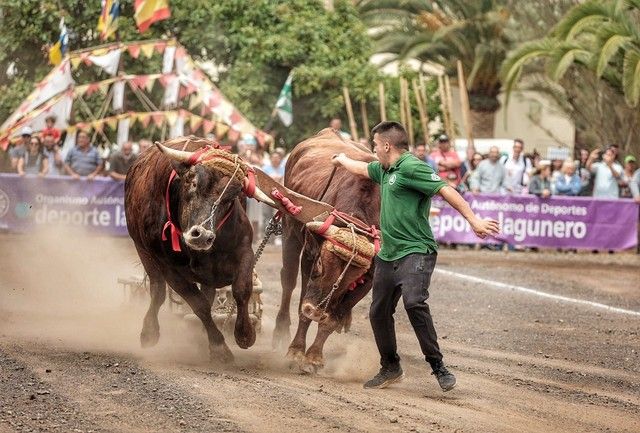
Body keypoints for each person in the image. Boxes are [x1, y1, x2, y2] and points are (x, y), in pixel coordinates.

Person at [331, 121, 499, 392]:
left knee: (414, 302)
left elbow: (446, 189)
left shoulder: (412, 167)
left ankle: (438, 366)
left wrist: (473, 220)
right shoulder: (384, 169)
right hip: (387, 254)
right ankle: (390, 367)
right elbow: (361, 168)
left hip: (416, 250)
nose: (374, 149)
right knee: (378, 312)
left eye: (375, 145)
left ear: (386, 145)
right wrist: (341, 159)